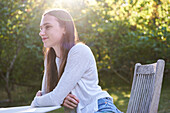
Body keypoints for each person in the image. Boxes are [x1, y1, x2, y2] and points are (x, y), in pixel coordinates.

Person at [31, 9, 122, 113]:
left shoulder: (79, 51)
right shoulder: (50, 57)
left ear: (64, 28)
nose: (41, 33)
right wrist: (59, 99)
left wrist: (37, 101)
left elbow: (52, 98)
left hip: (100, 108)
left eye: (48, 27)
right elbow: (47, 95)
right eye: (41, 28)